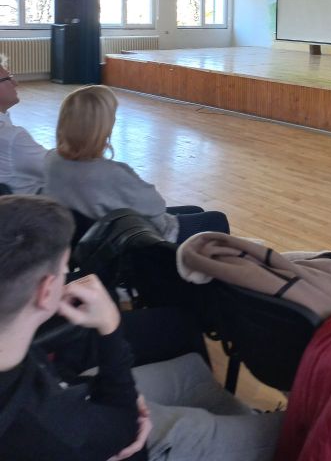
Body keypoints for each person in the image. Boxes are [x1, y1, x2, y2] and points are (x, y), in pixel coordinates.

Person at [0, 195, 283, 461]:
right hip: (112, 432)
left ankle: (236, 421)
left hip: (86, 400)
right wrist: (109, 326)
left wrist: (112, 394)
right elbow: (126, 430)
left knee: (191, 371)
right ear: (46, 291)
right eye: (65, 269)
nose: (68, 276)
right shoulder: (49, 425)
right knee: (285, 431)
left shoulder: (13, 347)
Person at [43, 85, 227, 243]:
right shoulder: (110, 172)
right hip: (136, 239)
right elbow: (155, 204)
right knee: (218, 219)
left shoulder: (52, 159)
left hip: (92, 237)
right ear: (100, 127)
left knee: (196, 210)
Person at [0, 60, 47, 193]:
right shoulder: (12, 137)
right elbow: (56, 168)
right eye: (8, 78)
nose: (15, 83)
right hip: (29, 203)